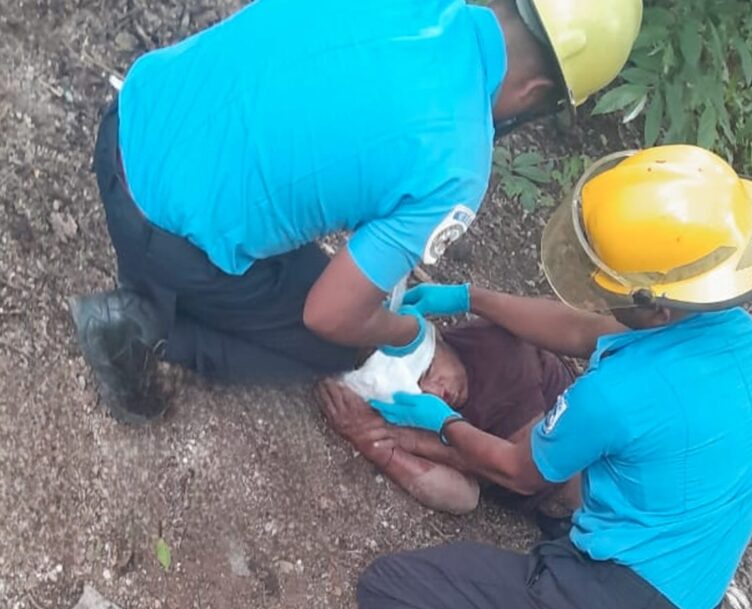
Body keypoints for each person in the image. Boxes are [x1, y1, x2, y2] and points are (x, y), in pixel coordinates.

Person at [67, 0, 643, 423]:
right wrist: (410, 332)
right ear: (536, 91)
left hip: (133, 112)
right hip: (155, 226)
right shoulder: (459, 164)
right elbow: (330, 315)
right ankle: (147, 331)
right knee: (344, 339)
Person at [355, 145, 752, 609]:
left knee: (393, 588)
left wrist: (442, 422)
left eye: (610, 286)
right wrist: (470, 296)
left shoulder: (615, 394)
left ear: (658, 306)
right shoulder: (744, 340)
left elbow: (516, 469)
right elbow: (580, 330)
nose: (597, 294)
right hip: (693, 592)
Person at [317, 322, 581, 521]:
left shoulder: (501, 355)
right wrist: (373, 441)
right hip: (553, 514)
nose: (435, 392)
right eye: (418, 392)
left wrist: (412, 440)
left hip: (583, 477)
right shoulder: (411, 409)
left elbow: (520, 468)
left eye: (429, 371)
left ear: (439, 339)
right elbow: (464, 496)